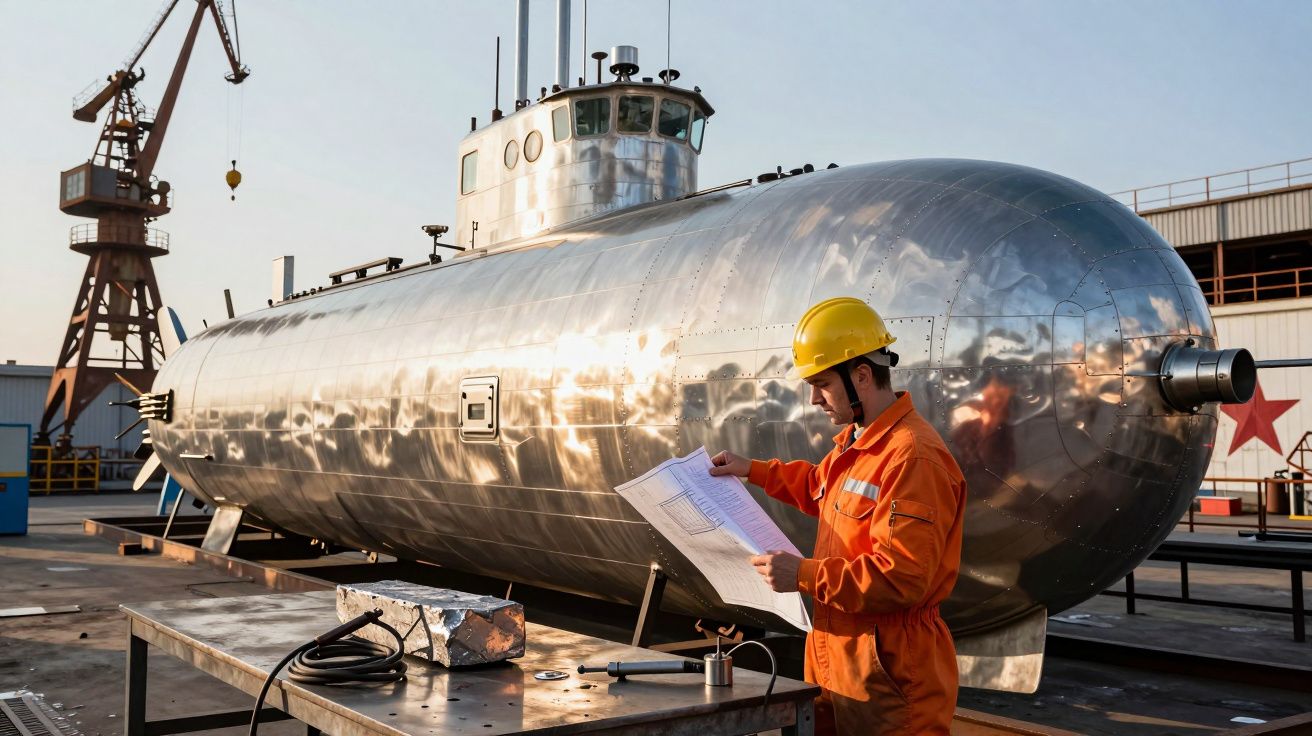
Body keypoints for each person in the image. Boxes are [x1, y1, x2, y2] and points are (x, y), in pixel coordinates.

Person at [710, 297, 966, 735]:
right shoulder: (860, 441)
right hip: (842, 662)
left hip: (890, 675)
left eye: (822, 384)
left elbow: (901, 578)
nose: (813, 399)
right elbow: (820, 487)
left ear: (861, 376)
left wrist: (803, 574)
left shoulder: (913, 458)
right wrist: (751, 469)